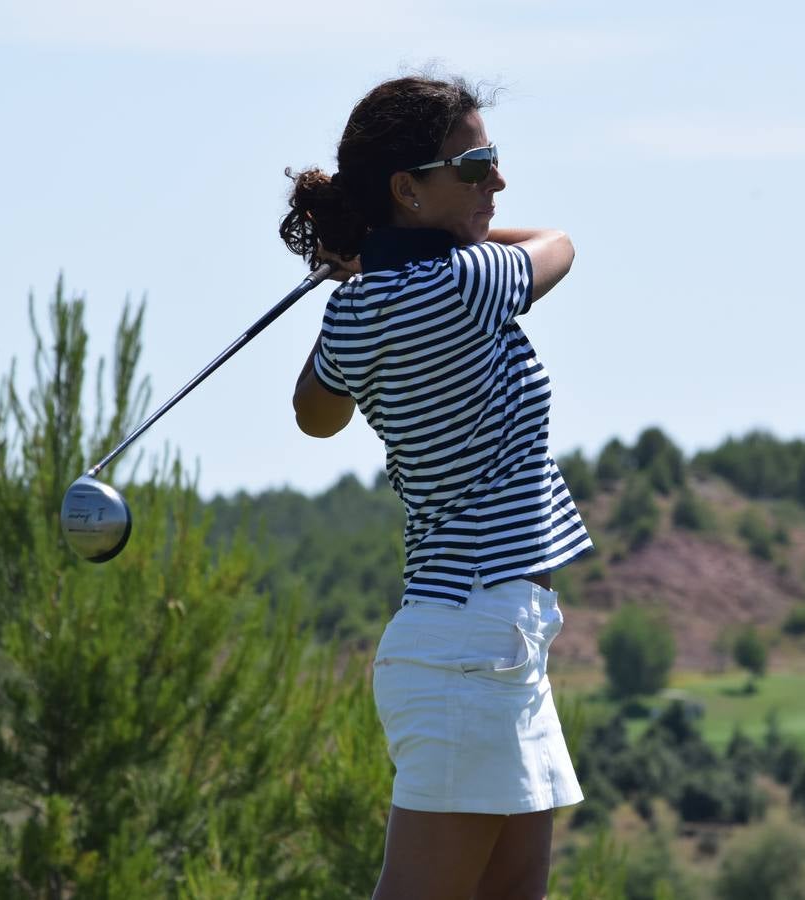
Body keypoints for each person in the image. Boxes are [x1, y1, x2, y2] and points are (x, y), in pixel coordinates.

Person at [281, 74, 593, 900]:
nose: (496, 181)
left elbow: (316, 413)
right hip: (470, 645)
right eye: (476, 164)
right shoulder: (464, 283)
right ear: (407, 188)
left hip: (493, 643)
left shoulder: (353, 312)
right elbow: (559, 243)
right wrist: (393, 253)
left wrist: (368, 266)